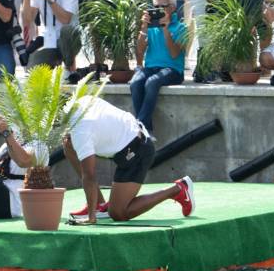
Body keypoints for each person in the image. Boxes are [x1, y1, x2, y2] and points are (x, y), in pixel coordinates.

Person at [64, 96, 194, 224]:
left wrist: (91, 217)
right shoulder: (84, 100)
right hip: (129, 141)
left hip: (138, 151)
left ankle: (178, 189)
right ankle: (99, 205)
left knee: (118, 213)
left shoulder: (80, 131)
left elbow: (89, 176)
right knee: (68, 143)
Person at [130, 0, 188, 131]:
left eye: (163, 6)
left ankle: (140, 126)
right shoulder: (151, 27)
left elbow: (174, 54)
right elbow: (139, 51)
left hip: (173, 69)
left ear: (173, 7)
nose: (159, 9)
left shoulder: (181, 27)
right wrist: (143, 28)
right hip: (151, 67)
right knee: (135, 83)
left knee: (152, 82)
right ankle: (145, 129)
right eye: (156, 6)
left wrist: (166, 29)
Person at [21, 0, 79, 69]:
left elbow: (66, 20)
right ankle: (53, 65)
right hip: (48, 40)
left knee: (66, 31)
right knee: (33, 70)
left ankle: (70, 70)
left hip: (69, 39)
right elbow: (27, 21)